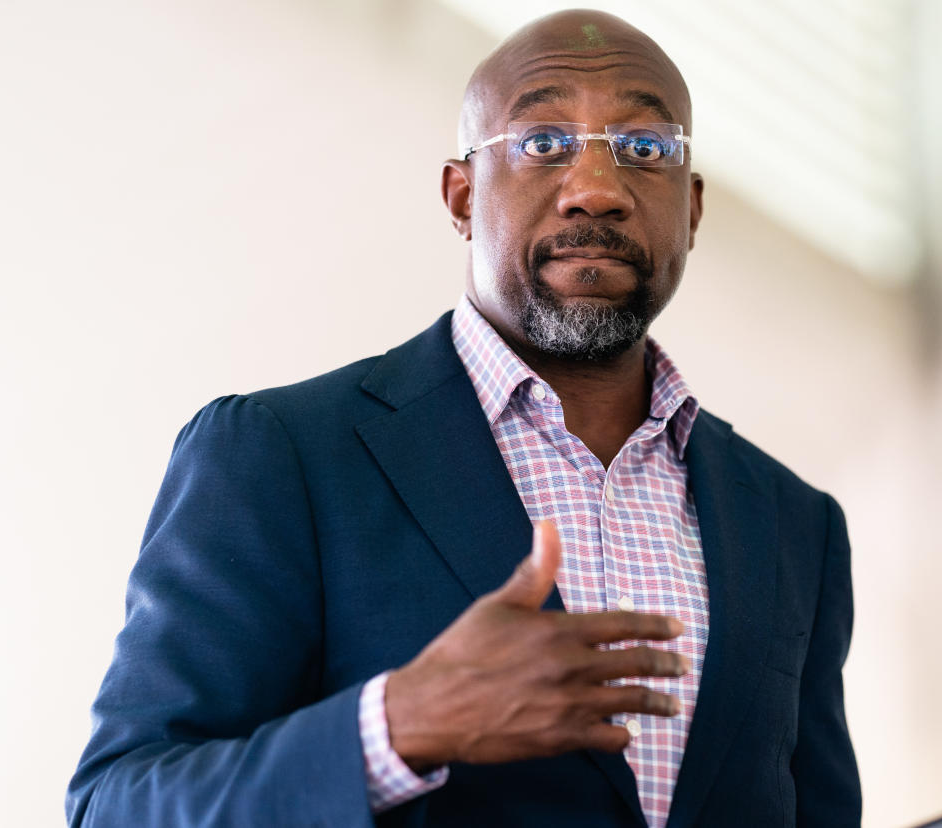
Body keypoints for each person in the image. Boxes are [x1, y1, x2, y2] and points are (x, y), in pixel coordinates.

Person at [67, 9, 859, 827]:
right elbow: (119, 805)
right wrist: (400, 726)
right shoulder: (279, 456)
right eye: (544, 142)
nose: (596, 189)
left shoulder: (797, 525)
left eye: (645, 148)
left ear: (691, 208)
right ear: (461, 195)